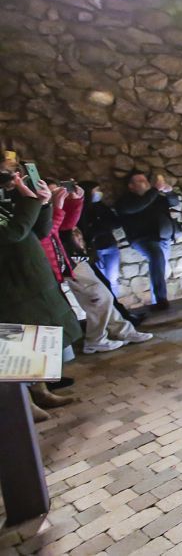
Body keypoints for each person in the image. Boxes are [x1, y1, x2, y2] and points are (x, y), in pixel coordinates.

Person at [0, 170, 82, 419]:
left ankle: (41, 391)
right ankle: (23, 404)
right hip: (10, 285)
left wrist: (44, 203)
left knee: (35, 338)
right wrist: (31, 200)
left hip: (29, 280)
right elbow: (12, 233)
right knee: (17, 343)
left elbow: (40, 231)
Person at [61, 224, 153, 354]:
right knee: (98, 299)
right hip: (68, 259)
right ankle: (94, 340)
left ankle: (122, 331)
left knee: (105, 297)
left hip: (73, 257)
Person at [116, 170, 180, 310]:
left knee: (160, 268)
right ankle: (161, 300)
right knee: (156, 258)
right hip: (143, 238)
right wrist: (155, 190)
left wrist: (169, 192)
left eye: (145, 180)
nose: (144, 183)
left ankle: (156, 299)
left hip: (163, 237)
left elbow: (174, 202)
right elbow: (137, 206)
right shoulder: (125, 201)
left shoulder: (157, 197)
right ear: (131, 186)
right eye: (139, 181)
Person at [78, 180, 121, 293]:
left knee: (113, 279)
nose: (99, 193)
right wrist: (102, 226)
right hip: (95, 249)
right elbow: (86, 231)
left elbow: (116, 222)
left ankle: (117, 307)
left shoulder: (101, 206)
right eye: (96, 190)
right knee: (101, 281)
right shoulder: (81, 210)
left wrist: (97, 227)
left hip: (110, 245)